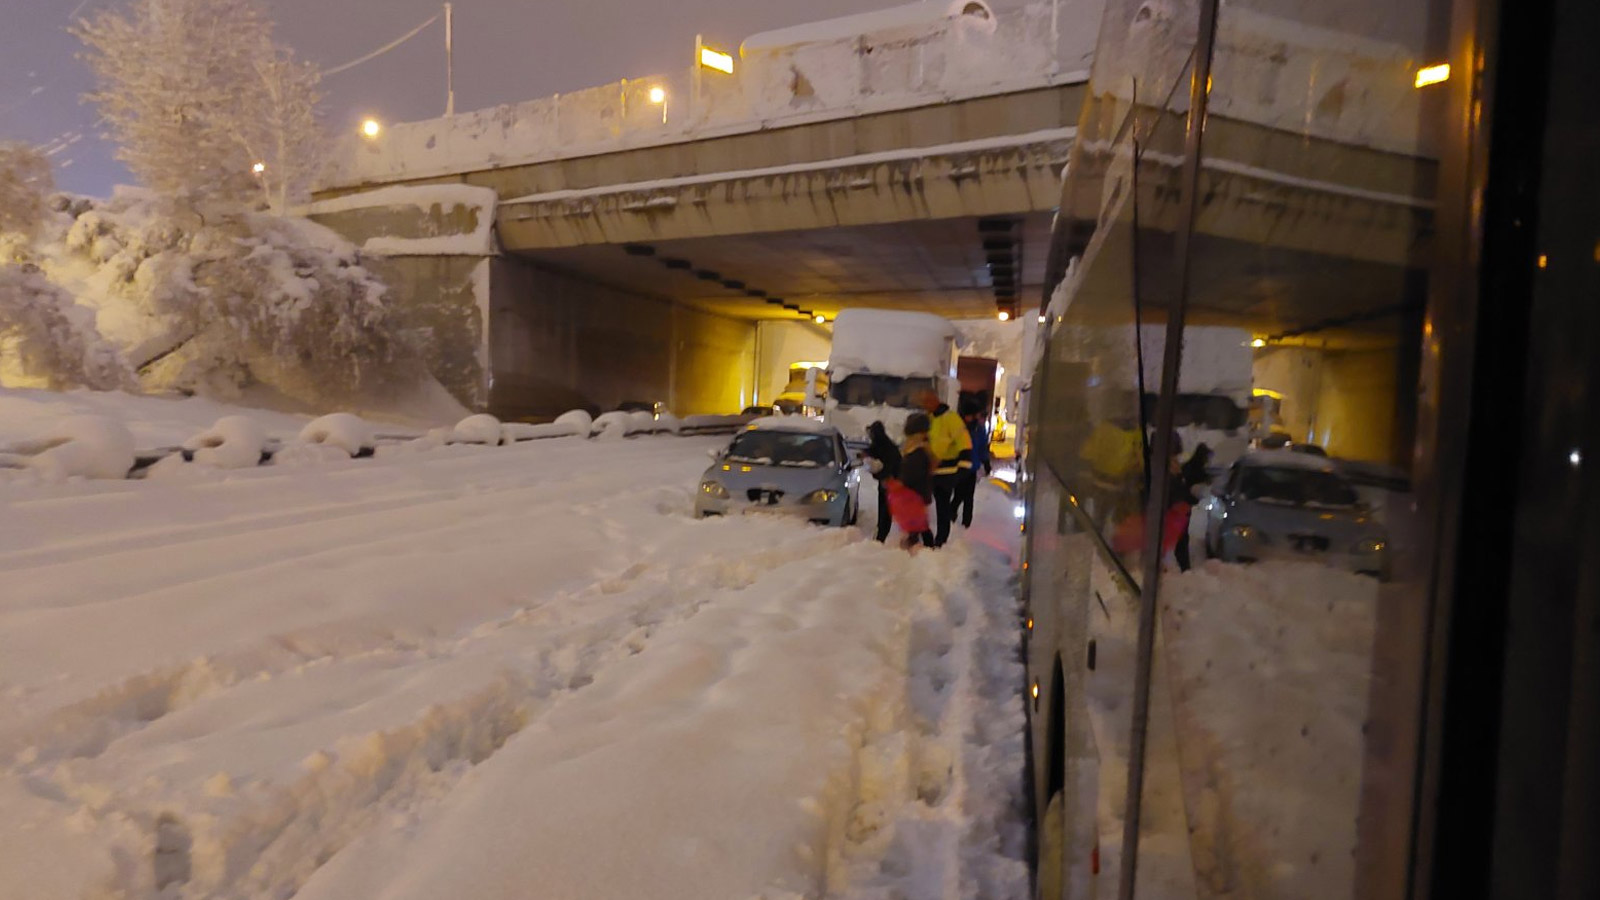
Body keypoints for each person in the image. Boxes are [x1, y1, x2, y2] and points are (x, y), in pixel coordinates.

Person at [920, 391, 972, 547]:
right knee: (924, 504)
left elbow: (965, 443)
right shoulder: (929, 419)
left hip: (947, 472)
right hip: (931, 471)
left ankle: (941, 539)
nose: (924, 407)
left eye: (926, 403)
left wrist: (962, 470)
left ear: (935, 401)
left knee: (942, 506)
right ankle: (926, 536)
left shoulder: (951, 419)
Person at [887, 413, 936, 550]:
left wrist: (898, 483)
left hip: (914, 496)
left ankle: (923, 554)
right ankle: (925, 552)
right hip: (918, 494)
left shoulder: (917, 451)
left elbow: (912, 474)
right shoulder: (921, 448)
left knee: (917, 527)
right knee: (919, 527)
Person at [952, 399, 992, 528]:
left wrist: (986, 462)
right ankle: (951, 516)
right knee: (959, 495)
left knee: (968, 496)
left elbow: (982, 447)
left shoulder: (978, 429)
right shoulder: (958, 427)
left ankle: (966, 523)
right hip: (959, 467)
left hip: (972, 467)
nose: (972, 417)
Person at [862, 421, 902, 543]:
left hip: (891, 482)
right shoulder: (887, 445)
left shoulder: (885, 448)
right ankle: (881, 534)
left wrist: (880, 475)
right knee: (885, 509)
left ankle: (882, 535)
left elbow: (888, 466)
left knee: (885, 510)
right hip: (890, 482)